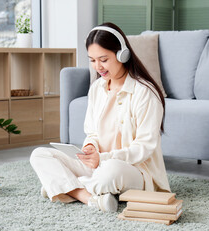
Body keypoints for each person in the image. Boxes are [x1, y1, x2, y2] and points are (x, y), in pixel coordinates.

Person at [30, 22, 170, 212]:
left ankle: (61, 186)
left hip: (131, 170)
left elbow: (143, 149)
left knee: (111, 172)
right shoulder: (97, 88)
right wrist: (90, 147)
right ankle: (88, 197)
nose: (98, 67)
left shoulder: (145, 93)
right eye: (92, 60)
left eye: (103, 59)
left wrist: (103, 158)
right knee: (40, 155)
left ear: (123, 54)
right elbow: (93, 132)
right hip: (96, 165)